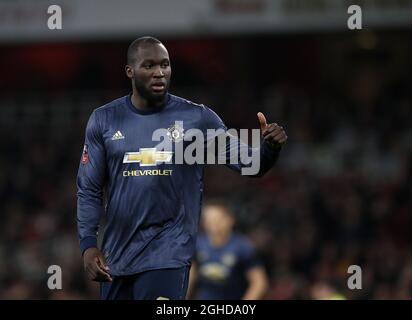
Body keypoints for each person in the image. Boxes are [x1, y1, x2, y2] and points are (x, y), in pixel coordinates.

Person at [77, 36, 287, 300]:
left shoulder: (197, 119)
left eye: (165, 65)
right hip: (117, 257)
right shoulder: (105, 119)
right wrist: (87, 245)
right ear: (130, 71)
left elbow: (251, 164)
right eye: (149, 65)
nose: (159, 72)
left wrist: (270, 148)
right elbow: (89, 189)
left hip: (169, 254)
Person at [188, 201, 269, 300]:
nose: (212, 224)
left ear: (230, 220)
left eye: (217, 219)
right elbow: (191, 276)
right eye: (208, 220)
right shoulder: (198, 244)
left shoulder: (243, 247)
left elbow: (259, 282)